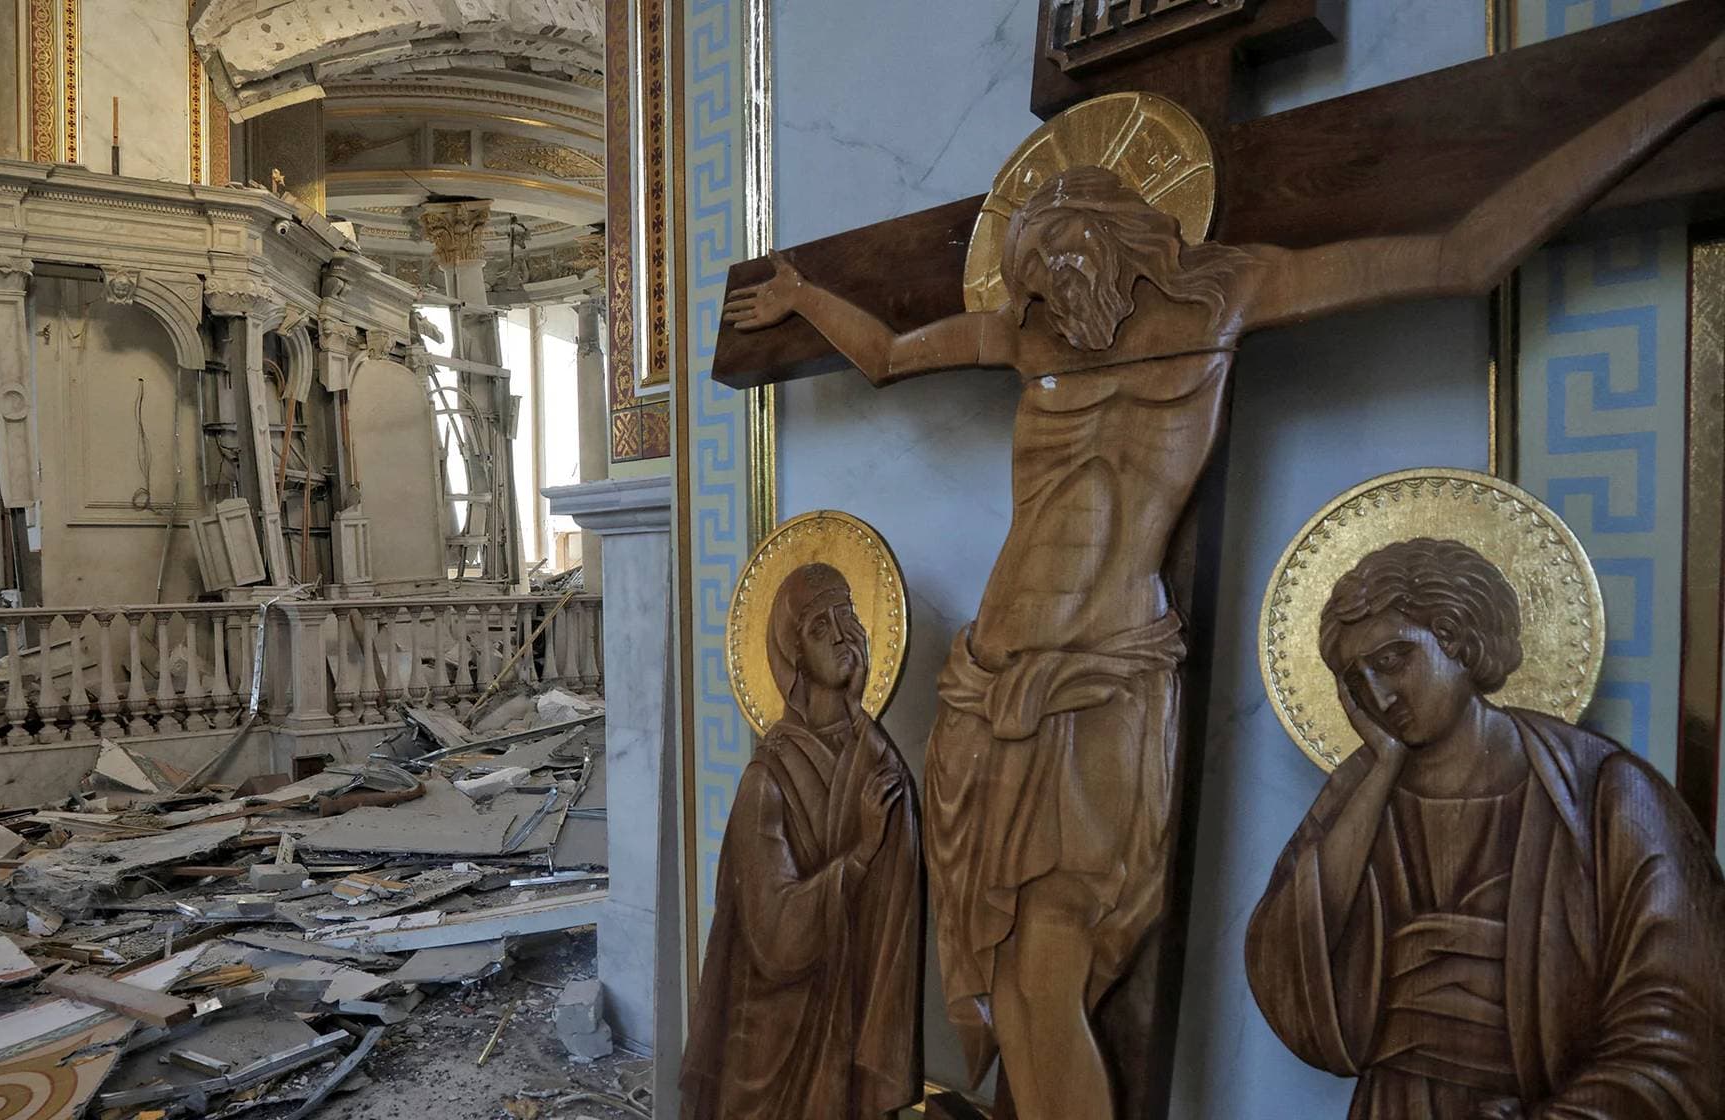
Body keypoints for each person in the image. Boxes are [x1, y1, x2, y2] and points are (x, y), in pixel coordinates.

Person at [722, 34, 1725, 1119]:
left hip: (1105, 681)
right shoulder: (1025, 338)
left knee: (1052, 974)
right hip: (986, 692)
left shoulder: (1227, 296)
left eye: (1061, 264)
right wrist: (800, 294)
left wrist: (1678, 87)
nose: (1048, 293)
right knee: (1012, 990)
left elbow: (1462, 250)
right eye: (1031, 279)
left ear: (1117, 236)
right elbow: (886, 353)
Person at [1245, 538, 1725, 1120]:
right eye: (1357, 680)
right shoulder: (1357, 800)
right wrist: (1382, 771)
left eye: (1394, 659)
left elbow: (1681, 1019)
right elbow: (1287, 967)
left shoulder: (1605, 794)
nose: (1380, 696)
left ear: (1455, 636)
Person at [681, 562, 922, 1120]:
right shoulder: (766, 781)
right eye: (820, 627)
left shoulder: (873, 755)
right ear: (793, 658)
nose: (843, 635)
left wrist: (860, 716)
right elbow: (778, 935)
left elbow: (901, 876)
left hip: (845, 1015)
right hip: (773, 1042)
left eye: (849, 617)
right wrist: (859, 857)